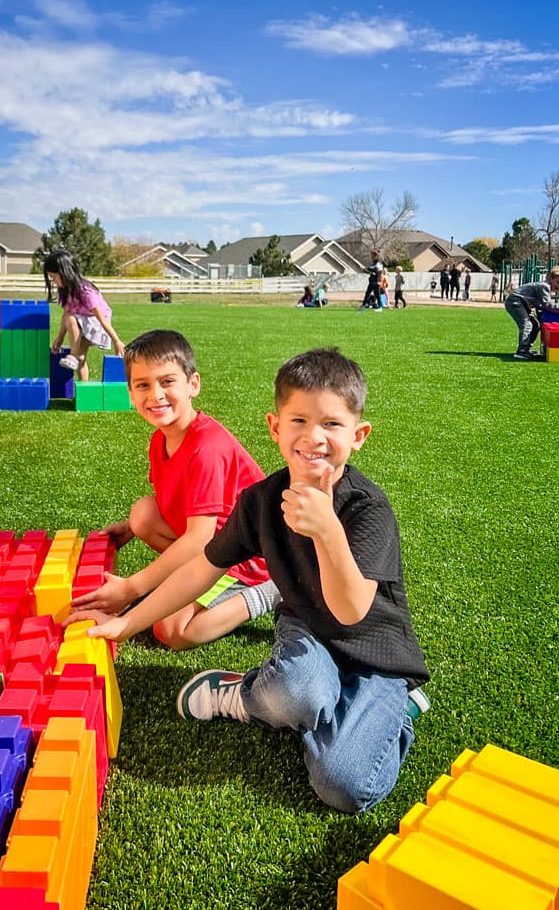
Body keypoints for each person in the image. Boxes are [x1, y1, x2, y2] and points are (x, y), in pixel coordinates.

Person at [85, 348, 430, 813]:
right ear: (274, 427)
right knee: (299, 691)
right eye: (299, 421)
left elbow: (351, 612)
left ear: (358, 434)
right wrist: (127, 621)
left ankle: (390, 710)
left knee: (342, 787)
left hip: (375, 655)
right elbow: (199, 570)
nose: (314, 437)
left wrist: (327, 529)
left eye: (331, 424)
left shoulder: (368, 510)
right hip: (309, 632)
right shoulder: (260, 503)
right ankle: (257, 695)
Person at [67, 329, 279, 649]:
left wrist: (131, 589)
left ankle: (268, 591)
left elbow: (200, 540)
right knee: (142, 514)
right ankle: (185, 584)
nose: (156, 395)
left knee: (172, 631)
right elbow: (179, 505)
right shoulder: (161, 438)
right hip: (213, 543)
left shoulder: (207, 448)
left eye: (167, 382)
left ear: (193, 384)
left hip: (244, 559)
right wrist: (128, 530)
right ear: (130, 393)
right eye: (143, 385)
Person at [45, 250, 124, 381]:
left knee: (77, 352)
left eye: (54, 277)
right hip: (80, 321)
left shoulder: (86, 292)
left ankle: (74, 355)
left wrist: (116, 341)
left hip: (95, 323)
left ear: (64, 273)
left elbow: (101, 318)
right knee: (80, 358)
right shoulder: (64, 291)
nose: (53, 282)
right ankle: (84, 388)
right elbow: (66, 314)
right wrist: (60, 337)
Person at [504, 267, 559, 359]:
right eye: (558, 282)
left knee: (535, 324)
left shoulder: (546, 288)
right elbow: (547, 304)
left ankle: (527, 348)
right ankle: (522, 351)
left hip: (521, 303)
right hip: (515, 302)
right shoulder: (544, 286)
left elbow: (541, 306)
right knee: (527, 325)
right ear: (551, 279)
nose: (558, 286)